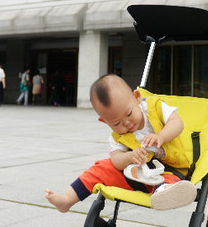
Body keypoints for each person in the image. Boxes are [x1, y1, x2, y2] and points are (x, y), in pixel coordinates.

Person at [45, 73, 196, 212]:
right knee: (100, 168)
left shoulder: (154, 108)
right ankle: (67, 200)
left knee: (167, 180)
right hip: (137, 175)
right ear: (104, 121)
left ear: (136, 97)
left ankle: (165, 192)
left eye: (129, 114)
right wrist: (129, 157)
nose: (126, 124)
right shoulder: (117, 137)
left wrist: (161, 136)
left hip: (168, 169)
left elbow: (177, 123)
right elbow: (116, 160)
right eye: (116, 123)